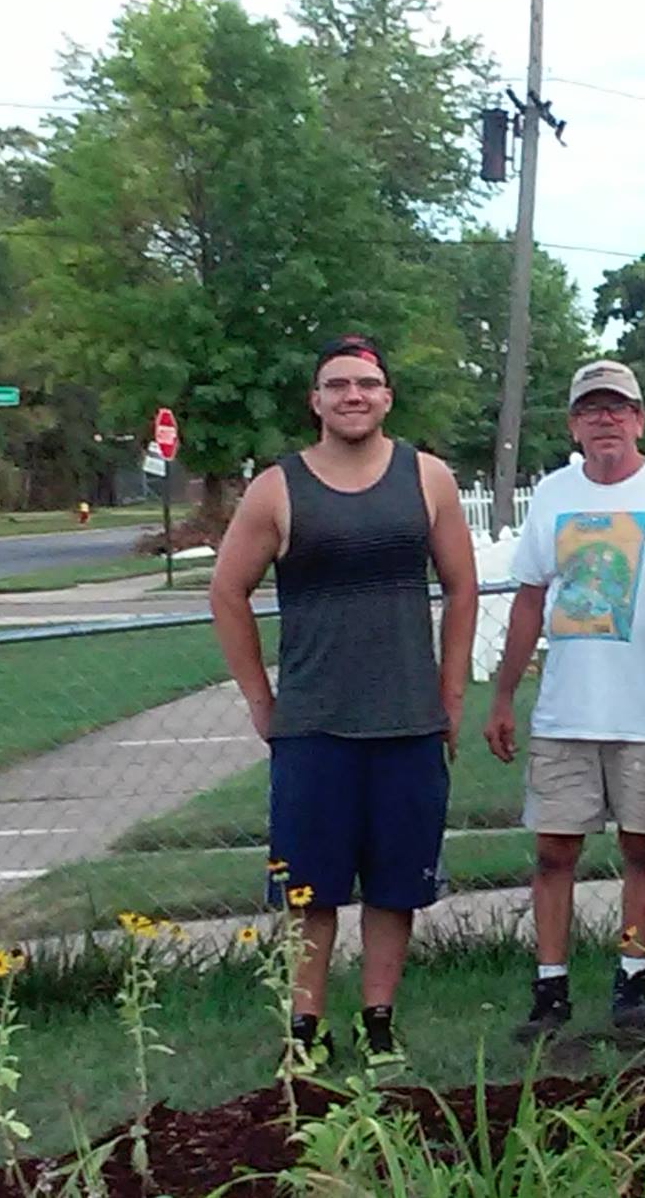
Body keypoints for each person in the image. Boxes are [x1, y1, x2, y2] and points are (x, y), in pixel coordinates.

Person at [209, 333, 479, 1066]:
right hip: (315, 724)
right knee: (311, 889)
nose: (352, 396)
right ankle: (305, 1029)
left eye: (366, 383)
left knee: (396, 884)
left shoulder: (428, 479)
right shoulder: (278, 487)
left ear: (388, 396)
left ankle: (379, 1021)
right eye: (337, 385)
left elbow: (462, 588)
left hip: (408, 720)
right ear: (316, 400)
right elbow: (226, 593)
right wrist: (263, 702)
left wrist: (450, 694)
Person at [482, 360, 645, 1040]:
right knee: (555, 851)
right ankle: (550, 989)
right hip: (566, 712)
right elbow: (528, 600)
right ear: (574, 425)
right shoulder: (553, 493)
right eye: (592, 410)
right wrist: (501, 694)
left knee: (642, 848)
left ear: (640, 418)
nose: (605, 420)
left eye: (619, 408)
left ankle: (633, 982)